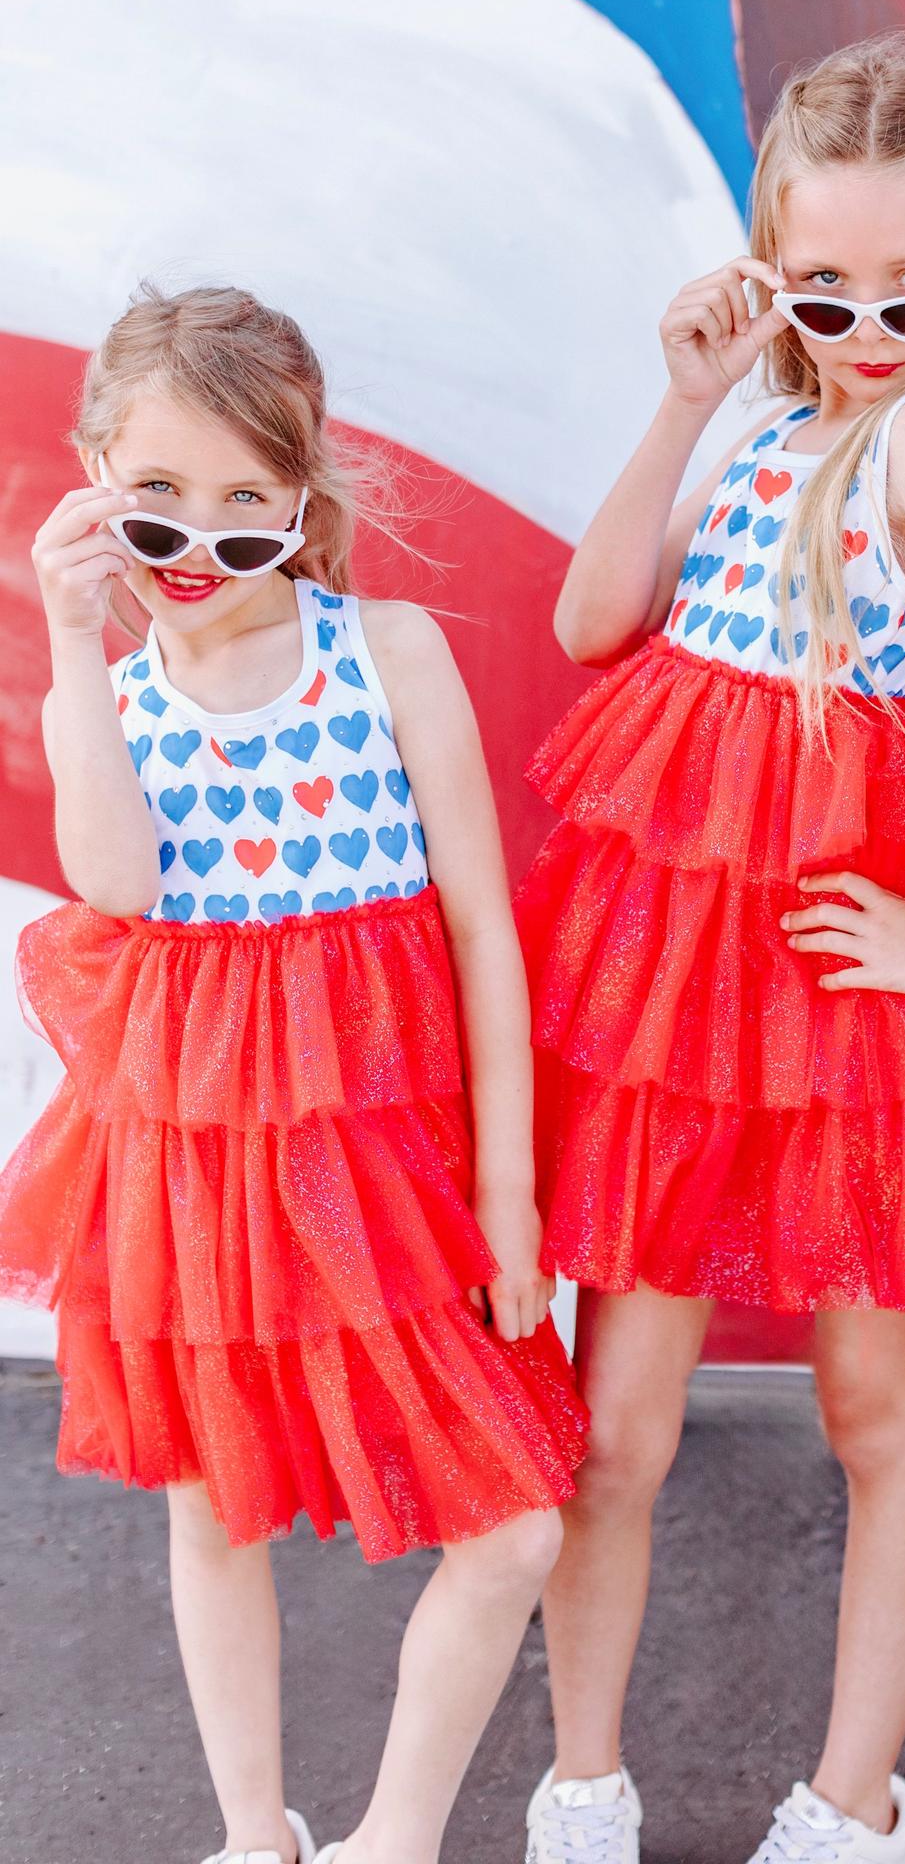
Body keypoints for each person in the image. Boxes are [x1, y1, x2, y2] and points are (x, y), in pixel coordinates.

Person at [516, 35, 905, 1864]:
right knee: (618, 1422)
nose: (864, 325)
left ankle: (855, 1805)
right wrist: (685, 399)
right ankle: (583, 1783)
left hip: (844, 983)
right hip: (691, 978)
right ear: (771, 263)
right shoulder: (780, 405)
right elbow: (599, 617)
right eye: (820, 285)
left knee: (868, 1402)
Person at [0, 286, 587, 1864]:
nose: (201, 543)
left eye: (246, 502)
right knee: (213, 1502)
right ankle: (254, 1835)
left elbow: (480, 928)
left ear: (305, 495)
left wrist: (510, 1194)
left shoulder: (384, 652)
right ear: (98, 487)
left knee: (516, 1523)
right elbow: (116, 889)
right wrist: (67, 636)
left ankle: (394, 1840)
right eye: (160, 502)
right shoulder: (117, 700)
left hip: (391, 1170)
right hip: (196, 1175)